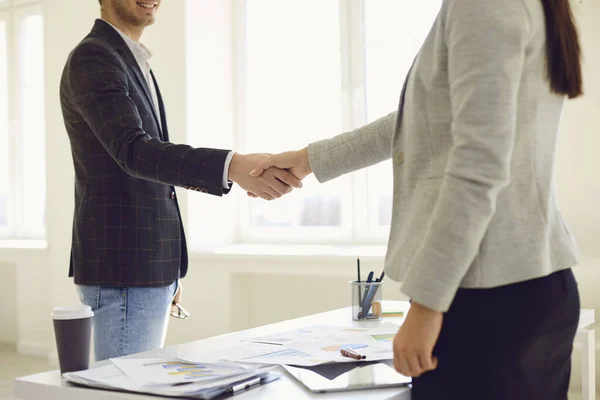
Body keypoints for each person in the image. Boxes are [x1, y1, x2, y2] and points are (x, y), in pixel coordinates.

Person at [250, 0, 583, 398]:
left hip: (487, 299)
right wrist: (310, 159)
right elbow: (427, 118)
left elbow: (477, 168)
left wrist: (426, 307)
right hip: (523, 288)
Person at [59, 0, 302, 362]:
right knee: (126, 391)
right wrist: (232, 165)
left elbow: (147, 172)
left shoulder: (130, 58)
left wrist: (166, 269)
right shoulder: (93, 57)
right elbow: (134, 151)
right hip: (124, 268)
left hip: (144, 267)